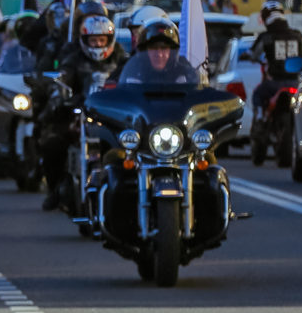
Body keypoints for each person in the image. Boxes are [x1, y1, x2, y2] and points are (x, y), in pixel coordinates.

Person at [37, 12, 124, 210]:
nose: (98, 44)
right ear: (84, 40)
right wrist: (59, 92)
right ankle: (54, 189)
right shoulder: (74, 56)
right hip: (79, 112)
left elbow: (130, 80)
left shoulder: (120, 58)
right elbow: (64, 76)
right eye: (93, 40)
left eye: (102, 40)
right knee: (51, 142)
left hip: (112, 116)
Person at [249, 2, 302, 121]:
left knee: (257, 94)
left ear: (265, 19)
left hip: (274, 83)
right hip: (295, 82)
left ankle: (260, 117)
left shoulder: (265, 36)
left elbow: (253, 54)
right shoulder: (297, 35)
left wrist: (249, 57)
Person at [117, 19, 204, 86]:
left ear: (173, 52)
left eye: (164, 48)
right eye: (153, 48)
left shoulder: (186, 73)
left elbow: (199, 97)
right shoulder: (132, 71)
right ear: (144, 51)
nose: (159, 54)